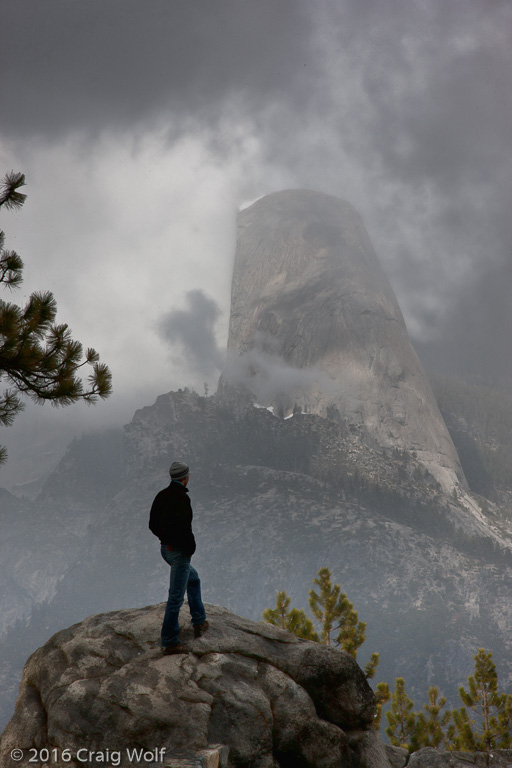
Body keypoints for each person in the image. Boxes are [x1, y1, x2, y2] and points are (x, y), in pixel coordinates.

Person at [149, 461, 208, 654]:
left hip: (166, 550)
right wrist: (189, 548)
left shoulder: (161, 496)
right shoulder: (181, 498)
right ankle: (169, 641)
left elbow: (153, 524)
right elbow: (185, 527)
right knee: (175, 598)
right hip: (180, 553)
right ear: (185, 477)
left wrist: (165, 539)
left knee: (193, 579)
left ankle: (199, 621)